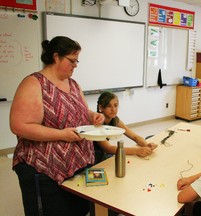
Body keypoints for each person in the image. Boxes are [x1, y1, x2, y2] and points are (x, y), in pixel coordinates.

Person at [10, 36, 105, 216]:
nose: (75, 65)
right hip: (43, 167)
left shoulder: (73, 84)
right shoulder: (34, 83)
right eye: (72, 60)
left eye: (77, 61)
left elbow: (83, 111)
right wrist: (61, 134)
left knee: (76, 209)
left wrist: (94, 116)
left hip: (76, 163)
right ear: (56, 57)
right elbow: (19, 126)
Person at [94, 91, 158, 163]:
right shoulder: (97, 122)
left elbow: (134, 136)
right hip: (94, 157)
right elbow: (108, 148)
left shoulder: (115, 119)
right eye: (109, 106)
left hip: (103, 154)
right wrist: (136, 151)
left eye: (115, 105)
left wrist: (146, 145)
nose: (113, 109)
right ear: (101, 107)